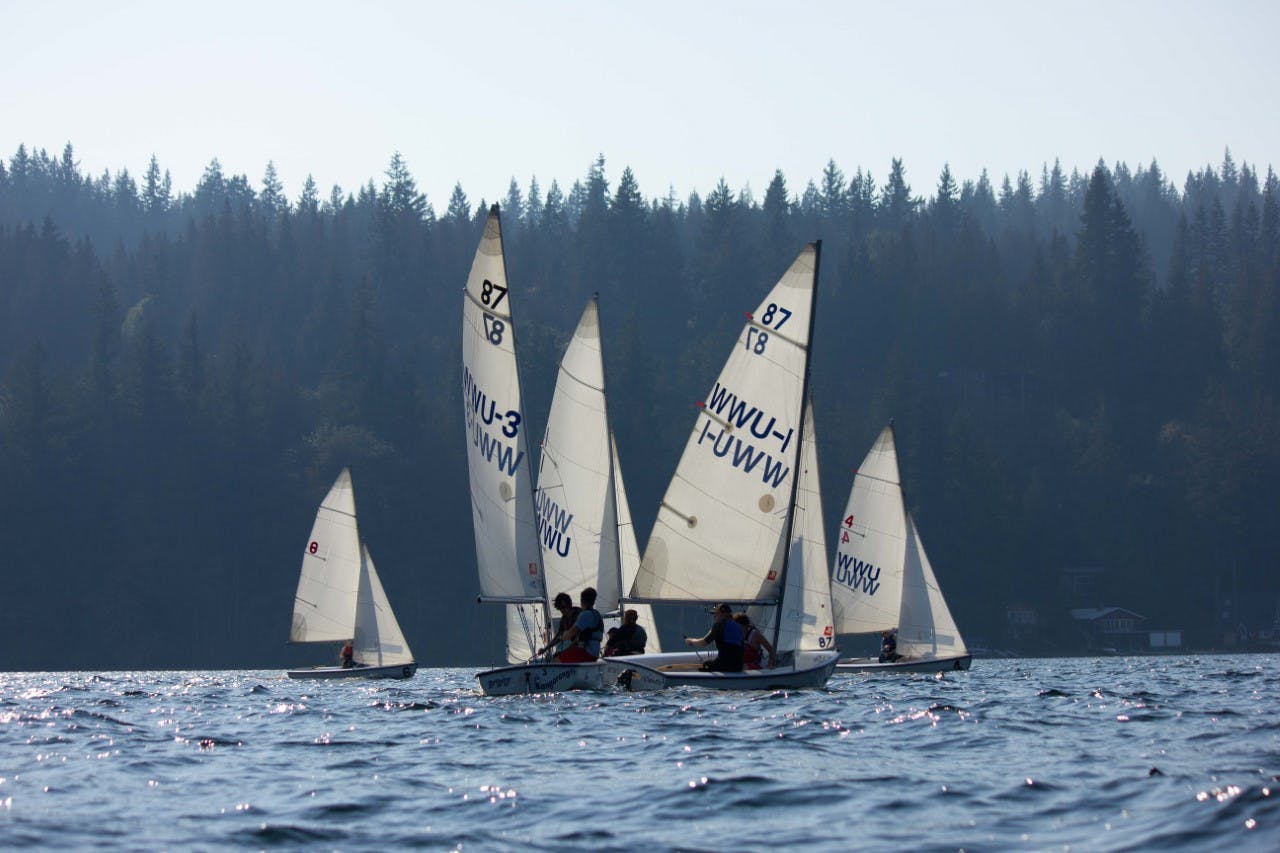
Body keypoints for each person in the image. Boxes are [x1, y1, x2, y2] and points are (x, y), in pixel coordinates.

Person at [685, 603, 744, 672]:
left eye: (716, 614)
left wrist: (690, 640)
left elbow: (704, 642)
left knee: (705, 665)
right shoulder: (738, 626)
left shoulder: (718, 625)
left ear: (723, 614)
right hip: (738, 666)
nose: (714, 616)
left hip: (725, 665)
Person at [558, 587, 604, 663]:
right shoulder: (596, 614)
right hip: (595, 653)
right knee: (565, 654)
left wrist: (563, 636)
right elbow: (579, 639)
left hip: (587, 653)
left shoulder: (585, 615)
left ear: (582, 600)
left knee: (556, 660)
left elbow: (571, 633)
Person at [536, 592, 580, 659]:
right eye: (559, 608)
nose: (562, 610)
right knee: (555, 657)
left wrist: (566, 651)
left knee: (558, 659)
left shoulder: (580, 615)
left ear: (569, 604)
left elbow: (580, 638)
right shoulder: (564, 619)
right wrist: (544, 649)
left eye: (563, 607)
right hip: (574, 649)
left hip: (583, 649)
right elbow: (557, 637)